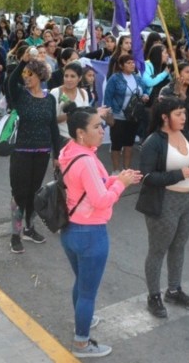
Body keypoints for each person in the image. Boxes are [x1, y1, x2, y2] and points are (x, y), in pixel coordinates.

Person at [58, 105, 141, 358]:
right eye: (96, 126)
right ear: (81, 133)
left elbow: (89, 186)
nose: (102, 129)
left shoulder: (70, 150)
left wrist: (117, 179)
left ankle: (82, 320)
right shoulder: (86, 161)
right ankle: (82, 342)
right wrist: (121, 185)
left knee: (82, 285)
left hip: (71, 230)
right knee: (87, 292)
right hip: (90, 233)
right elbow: (102, 200)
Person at [136, 97, 189, 319]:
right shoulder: (153, 142)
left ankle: (174, 290)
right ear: (165, 117)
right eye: (178, 114)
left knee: (179, 246)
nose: (184, 118)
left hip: (188, 200)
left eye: (184, 113)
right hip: (164, 202)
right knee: (158, 250)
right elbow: (146, 176)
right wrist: (179, 174)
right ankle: (153, 296)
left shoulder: (187, 134)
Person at [7, 53, 62, 254]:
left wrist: (57, 155)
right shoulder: (20, 94)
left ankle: (30, 228)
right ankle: (15, 234)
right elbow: (10, 82)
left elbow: (53, 128)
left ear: (40, 75)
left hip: (42, 152)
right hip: (21, 152)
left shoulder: (49, 100)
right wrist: (22, 61)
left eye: (30, 74)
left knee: (34, 193)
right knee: (19, 194)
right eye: (24, 74)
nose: (26, 78)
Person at [104, 55, 149, 173]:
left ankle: (127, 169)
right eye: (128, 63)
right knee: (116, 144)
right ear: (121, 65)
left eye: (133, 62)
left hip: (133, 116)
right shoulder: (115, 78)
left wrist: (144, 96)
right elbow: (108, 97)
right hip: (118, 116)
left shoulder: (137, 78)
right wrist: (109, 115)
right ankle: (116, 170)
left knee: (129, 144)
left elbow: (144, 91)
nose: (132, 65)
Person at [51, 61, 89, 142]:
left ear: (79, 78)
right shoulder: (56, 92)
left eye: (72, 76)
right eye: (66, 76)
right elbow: (51, 120)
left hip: (80, 139)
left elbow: (86, 117)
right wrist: (69, 115)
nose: (69, 79)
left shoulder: (83, 93)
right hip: (60, 139)